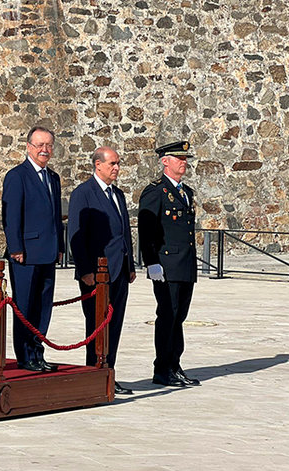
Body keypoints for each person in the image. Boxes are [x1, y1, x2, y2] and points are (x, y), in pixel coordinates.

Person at [67, 147, 135, 395]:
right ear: (98, 165)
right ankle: (93, 372)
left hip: (118, 272)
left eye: (118, 163)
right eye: (112, 164)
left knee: (114, 324)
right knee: (96, 325)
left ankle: (108, 372)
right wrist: (85, 270)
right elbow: (76, 235)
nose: (116, 168)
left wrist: (130, 264)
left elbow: (124, 232)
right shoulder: (83, 194)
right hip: (96, 274)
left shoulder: (117, 194)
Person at [138, 140, 202, 387]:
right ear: (165, 161)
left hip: (184, 265)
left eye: (185, 159)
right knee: (167, 315)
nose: (183, 163)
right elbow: (147, 230)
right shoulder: (155, 191)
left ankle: (175, 364)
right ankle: (162, 369)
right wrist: (151, 262)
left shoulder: (186, 192)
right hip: (166, 266)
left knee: (180, 317)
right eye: (179, 159)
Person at [1, 126, 64, 372]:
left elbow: (55, 216)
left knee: (43, 306)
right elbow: (11, 215)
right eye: (39, 145)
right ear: (28, 147)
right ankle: (25, 355)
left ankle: (38, 352)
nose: (44, 150)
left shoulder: (53, 178)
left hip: (47, 252)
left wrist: (59, 245)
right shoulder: (18, 176)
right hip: (25, 253)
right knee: (25, 306)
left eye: (48, 145)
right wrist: (15, 247)